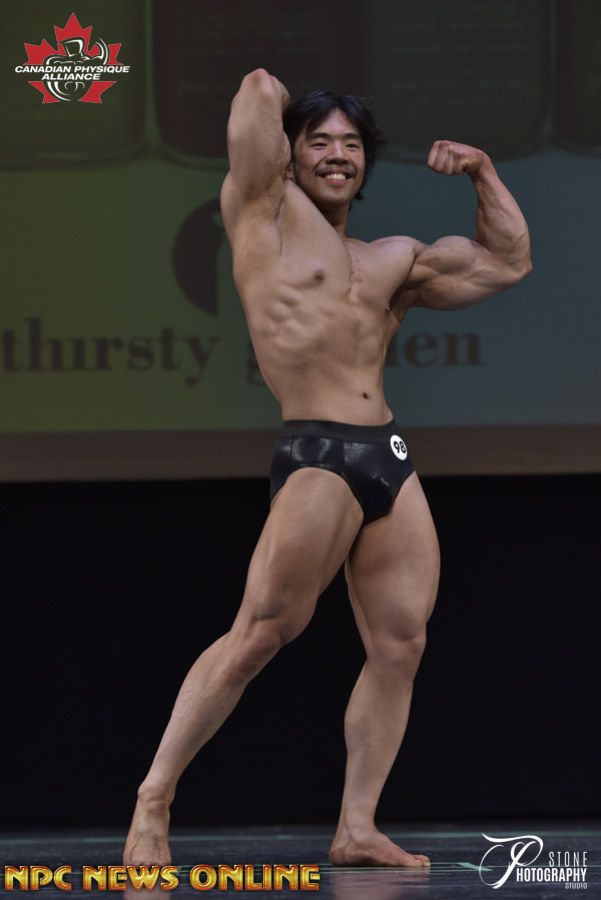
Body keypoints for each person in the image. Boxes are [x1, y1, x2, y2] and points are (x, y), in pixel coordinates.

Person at [124, 69, 531, 868]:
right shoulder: (259, 213)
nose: (337, 154)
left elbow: (506, 262)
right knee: (260, 634)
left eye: (350, 144)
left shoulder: (392, 259)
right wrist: (279, 113)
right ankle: (153, 800)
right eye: (319, 142)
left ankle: (356, 827)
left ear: (366, 162)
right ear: (289, 155)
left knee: (401, 643)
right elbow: (254, 94)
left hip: (387, 456)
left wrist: (482, 172)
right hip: (317, 453)